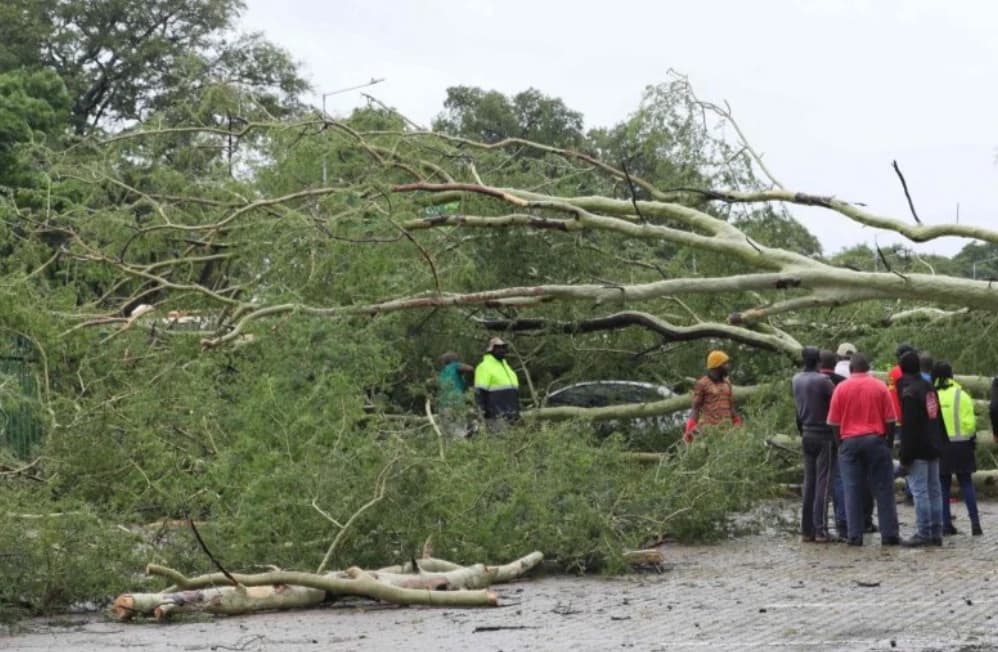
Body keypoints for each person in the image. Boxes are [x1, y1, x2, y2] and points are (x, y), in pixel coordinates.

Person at [826, 352, 900, 546]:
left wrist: (840, 444)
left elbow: (833, 422)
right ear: (868, 368)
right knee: (883, 488)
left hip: (849, 442)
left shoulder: (841, 388)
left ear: (851, 369)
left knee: (852, 489)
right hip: (876, 440)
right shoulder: (879, 386)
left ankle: (854, 535)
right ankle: (889, 534)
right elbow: (891, 420)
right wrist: (888, 443)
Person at [897, 350, 947, 547]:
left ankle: (924, 531)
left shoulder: (910, 393)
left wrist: (904, 456)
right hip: (933, 445)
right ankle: (936, 530)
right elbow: (937, 417)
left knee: (920, 492)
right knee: (934, 490)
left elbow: (909, 428)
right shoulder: (929, 388)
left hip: (918, 449)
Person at [793, 347, 838, 542]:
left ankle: (806, 530)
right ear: (819, 361)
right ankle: (821, 529)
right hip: (824, 435)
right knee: (823, 483)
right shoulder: (823, 381)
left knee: (809, 482)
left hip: (806, 434)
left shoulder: (796, 380)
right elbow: (838, 402)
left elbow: (797, 410)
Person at [934, 361, 981, 536]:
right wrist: (968, 437)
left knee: (943, 487)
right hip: (962, 445)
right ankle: (975, 524)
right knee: (967, 484)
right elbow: (970, 424)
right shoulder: (962, 395)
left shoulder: (933, 395)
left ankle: (946, 525)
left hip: (941, 447)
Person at [819, 350, 849, 538]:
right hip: (838, 434)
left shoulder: (807, 380)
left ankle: (818, 523)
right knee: (839, 478)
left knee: (819, 480)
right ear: (835, 362)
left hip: (816, 433)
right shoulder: (841, 382)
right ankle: (842, 520)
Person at [684, 350, 742, 443]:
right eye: (725, 363)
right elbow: (695, 408)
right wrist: (689, 430)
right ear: (717, 365)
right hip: (708, 433)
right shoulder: (702, 383)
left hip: (726, 433)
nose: (728, 366)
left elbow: (730, 406)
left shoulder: (727, 383)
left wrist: (737, 421)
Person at [474, 337, 521, 431]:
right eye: (498, 348)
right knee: (500, 441)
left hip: (512, 415)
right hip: (496, 417)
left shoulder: (507, 368)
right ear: (491, 350)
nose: (502, 350)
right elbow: (479, 393)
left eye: (503, 347)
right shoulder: (484, 367)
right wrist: (482, 415)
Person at [436, 352, 474, 439]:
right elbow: (470, 368)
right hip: (456, 405)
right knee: (460, 433)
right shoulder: (454, 366)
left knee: (448, 434)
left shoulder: (442, 373)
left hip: (443, 406)